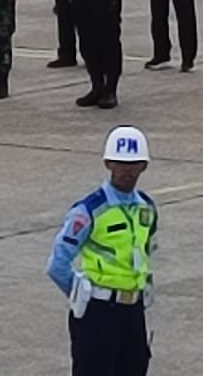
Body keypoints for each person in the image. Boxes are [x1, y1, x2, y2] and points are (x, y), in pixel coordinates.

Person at [47, 127, 158, 376]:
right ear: (108, 163)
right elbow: (57, 264)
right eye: (120, 163)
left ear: (144, 166)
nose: (127, 170)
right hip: (97, 312)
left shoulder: (147, 209)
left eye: (134, 164)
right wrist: (81, 292)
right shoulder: (89, 210)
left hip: (133, 310)